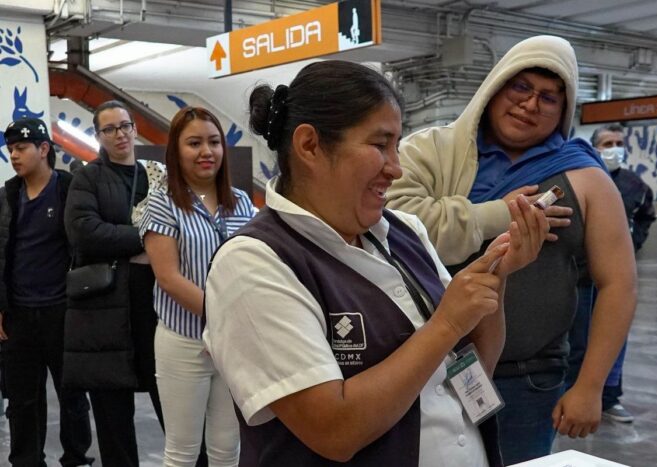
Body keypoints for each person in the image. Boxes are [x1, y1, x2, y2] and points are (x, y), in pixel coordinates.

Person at [204, 60, 549, 467]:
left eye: (396, 146)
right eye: (380, 145)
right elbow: (334, 431)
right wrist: (447, 323)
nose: (396, 168)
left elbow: (473, 370)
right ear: (310, 145)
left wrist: (495, 277)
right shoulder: (253, 262)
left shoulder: (405, 231)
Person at [385, 35, 637, 464]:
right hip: (426, 364)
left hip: (528, 378)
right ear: (495, 88)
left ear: (564, 110)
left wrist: (591, 386)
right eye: (520, 87)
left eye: (549, 97)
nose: (530, 104)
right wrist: (494, 213)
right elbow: (390, 225)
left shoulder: (585, 177)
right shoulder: (437, 153)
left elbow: (619, 284)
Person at [141, 107, 255, 466]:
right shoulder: (163, 203)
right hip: (184, 341)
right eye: (194, 143)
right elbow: (168, 277)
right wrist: (220, 318)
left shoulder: (241, 203)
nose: (206, 151)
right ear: (176, 151)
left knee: (227, 450)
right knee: (182, 452)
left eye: (214, 142)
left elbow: (250, 269)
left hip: (232, 345)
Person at [63, 100, 164, 467]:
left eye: (124, 126)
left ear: (134, 129)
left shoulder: (157, 175)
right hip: (104, 313)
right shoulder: (88, 178)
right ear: (98, 136)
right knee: (113, 422)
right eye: (109, 129)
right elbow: (84, 232)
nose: (119, 134)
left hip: (156, 307)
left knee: (176, 410)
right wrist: (146, 240)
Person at [0, 117, 94, 467]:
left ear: (43, 149)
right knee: (21, 399)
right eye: (11, 149)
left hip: (63, 311)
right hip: (19, 315)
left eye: (21, 148)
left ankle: (76, 457)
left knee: (72, 394)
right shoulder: (8, 197)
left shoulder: (69, 190)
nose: (14, 155)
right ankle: (26, 460)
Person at [566, 124, 657, 424]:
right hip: (580, 276)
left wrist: (633, 242)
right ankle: (571, 393)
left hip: (614, 275)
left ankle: (609, 396)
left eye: (619, 142)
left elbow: (646, 216)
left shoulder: (635, 185)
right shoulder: (579, 177)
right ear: (595, 147)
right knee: (577, 339)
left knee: (614, 339)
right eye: (608, 143)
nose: (615, 148)